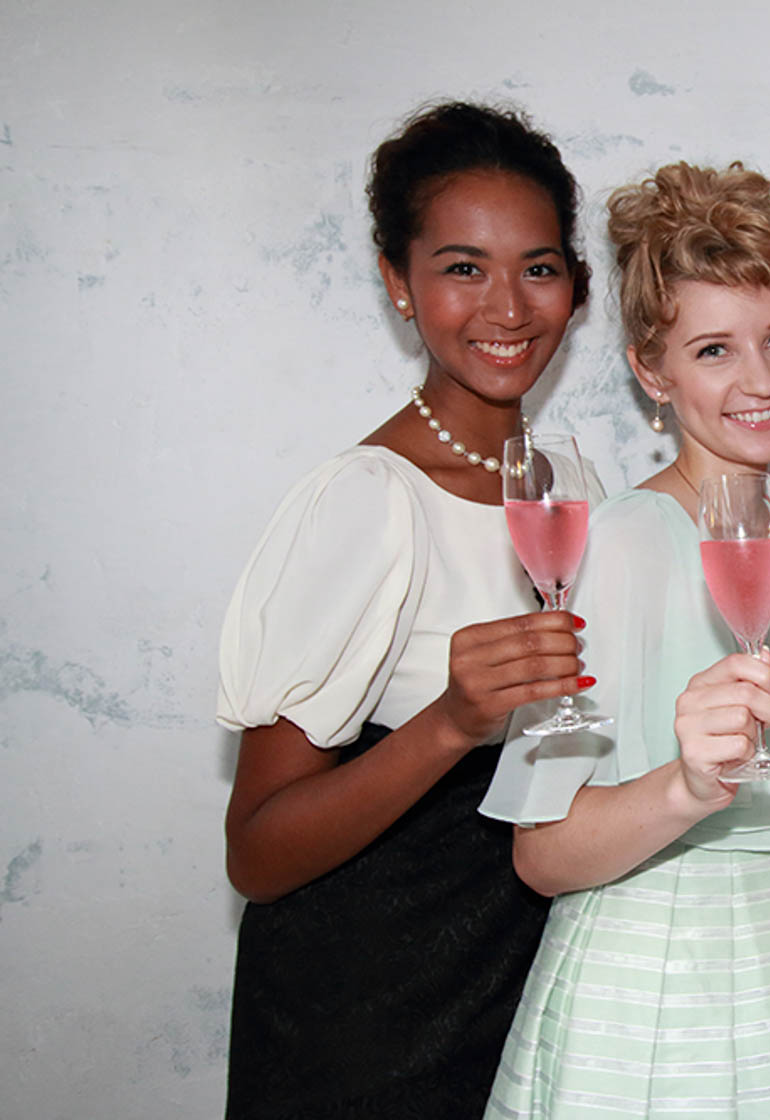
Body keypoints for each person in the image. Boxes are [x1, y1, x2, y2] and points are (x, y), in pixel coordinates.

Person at [215, 101, 594, 1117]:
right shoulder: (368, 499)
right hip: (365, 1014)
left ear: (576, 287)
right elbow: (254, 848)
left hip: (522, 993)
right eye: (462, 267)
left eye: (540, 267)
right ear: (399, 283)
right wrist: (452, 723)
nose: (507, 307)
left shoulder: (576, 489)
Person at [479, 162, 770, 1119]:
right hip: (657, 992)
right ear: (652, 371)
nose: (761, 380)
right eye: (714, 350)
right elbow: (541, 852)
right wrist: (684, 786)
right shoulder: (617, 548)